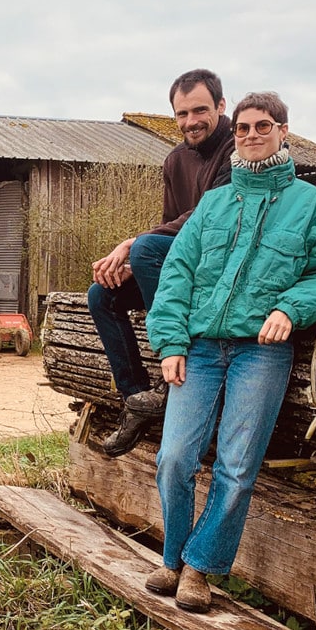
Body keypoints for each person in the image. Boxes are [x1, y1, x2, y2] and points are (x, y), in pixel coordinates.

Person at [143, 92, 316, 613]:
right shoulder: (216, 202)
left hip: (260, 354)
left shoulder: (309, 204)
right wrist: (170, 341)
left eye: (263, 126)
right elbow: (177, 275)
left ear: (284, 131)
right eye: (241, 128)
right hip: (198, 347)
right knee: (174, 457)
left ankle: (199, 568)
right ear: (233, 132)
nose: (251, 135)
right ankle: (172, 557)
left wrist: (290, 307)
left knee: (237, 467)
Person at [90, 69, 235, 457]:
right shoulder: (175, 161)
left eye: (200, 110)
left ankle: (175, 377)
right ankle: (138, 399)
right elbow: (172, 226)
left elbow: (207, 219)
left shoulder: (238, 151)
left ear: (221, 106)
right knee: (101, 295)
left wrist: (134, 245)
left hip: (223, 271)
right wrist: (136, 260)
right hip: (186, 264)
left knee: (144, 249)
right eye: (181, 114)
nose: (191, 122)